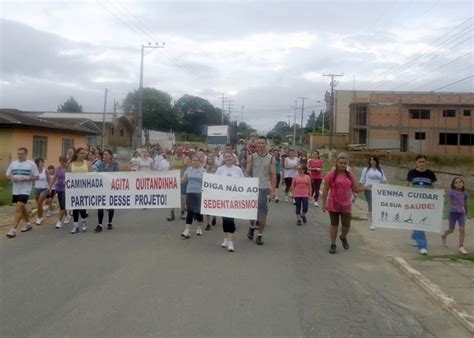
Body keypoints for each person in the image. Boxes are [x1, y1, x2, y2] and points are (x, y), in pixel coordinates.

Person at [322, 154, 366, 254]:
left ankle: (343, 236)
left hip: (346, 204)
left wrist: (366, 187)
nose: (343, 165)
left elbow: (355, 189)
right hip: (333, 204)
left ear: (347, 164)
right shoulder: (331, 175)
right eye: (341, 163)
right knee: (334, 224)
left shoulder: (350, 175)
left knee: (346, 225)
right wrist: (324, 203)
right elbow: (325, 189)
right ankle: (333, 244)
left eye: (345, 163)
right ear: (337, 163)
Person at [245, 136, 276, 245]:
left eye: (262, 143)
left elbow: (273, 175)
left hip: (264, 188)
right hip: (253, 187)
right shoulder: (251, 157)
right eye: (259, 143)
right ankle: (252, 226)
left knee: (263, 212)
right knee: (251, 211)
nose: (260, 145)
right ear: (256, 144)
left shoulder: (271, 158)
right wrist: (243, 185)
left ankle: (260, 235)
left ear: (266, 144)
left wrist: (273, 190)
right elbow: (247, 172)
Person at [406, 154, 437, 255]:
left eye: (423, 162)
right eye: (420, 161)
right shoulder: (412, 173)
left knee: (421, 222)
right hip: (415, 202)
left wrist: (439, 197)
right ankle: (422, 246)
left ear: (426, 162)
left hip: (426, 203)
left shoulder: (430, 174)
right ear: (416, 162)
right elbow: (406, 186)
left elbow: (434, 188)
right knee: (419, 222)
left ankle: (415, 236)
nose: (422, 163)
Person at [5, 147, 39, 238]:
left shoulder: (31, 164)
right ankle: (28, 224)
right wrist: (12, 179)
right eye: (18, 154)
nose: (19, 155)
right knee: (22, 208)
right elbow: (7, 174)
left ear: (26, 154)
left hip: (26, 189)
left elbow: (36, 177)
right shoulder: (13, 163)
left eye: (21, 154)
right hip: (16, 190)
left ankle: (13, 230)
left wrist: (26, 178)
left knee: (18, 207)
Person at [215, 151, 245, 252]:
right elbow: (214, 182)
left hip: (233, 199)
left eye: (229, 157)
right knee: (225, 219)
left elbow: (243, 183)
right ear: (224, 159)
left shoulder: (238, 170)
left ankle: (231, 242)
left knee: (230, 219)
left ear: (233, 158)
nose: (228, 158)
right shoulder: (220, 169)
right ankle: (226, 238)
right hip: (223, 198)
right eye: (226, 157)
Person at [359, 155, 388, 230]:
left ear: (376, 161)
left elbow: (384, 180)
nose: (372, 162)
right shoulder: (366, 169)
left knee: (376, 205)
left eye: (373, 160)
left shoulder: (380, 170)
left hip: (377, 190)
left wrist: (390, 187)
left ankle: (371, 215)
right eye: (371, 160)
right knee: (371, 204)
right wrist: (358, 188)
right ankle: (372, 223)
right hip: (368, 189)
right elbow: (362, 180)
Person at [441, 177, 469, 255]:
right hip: (453, 213)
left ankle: (461, 246)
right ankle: (444, 236)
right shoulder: (451, 192)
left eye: (460, 182)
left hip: (461, 213)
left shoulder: (465, 193)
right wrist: (444, 197)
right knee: (451, 229)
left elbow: (465, 204)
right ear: (453, 184)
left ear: (463, 183)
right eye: (456, 182)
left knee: (462, 229)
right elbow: (446, 201)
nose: (458, 183)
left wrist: (467, 213)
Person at [180, 155, 206, 238]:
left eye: (196, 160)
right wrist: (174, 180)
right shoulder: (188, 169)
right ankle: (187, 230)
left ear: (199, 162)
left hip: (199, 192)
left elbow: (207, 182)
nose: (195, 162)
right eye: (193, 160)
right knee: (190, 210)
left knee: (198, 211)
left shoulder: (203, 170)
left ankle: (199, 226)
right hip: (190, 192)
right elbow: (183, 179)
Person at [95, 149, 120, 232]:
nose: (104, 156)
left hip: (111, 188)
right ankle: (99, 225)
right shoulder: (100, 165)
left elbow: (116, 175)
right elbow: (97, 175)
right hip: (102, 188)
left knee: (111, 206)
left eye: (106, 154)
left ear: (111, 156)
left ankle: (110, 222)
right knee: (100, 206)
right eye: (104, 155)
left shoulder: (115, 164)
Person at [69, 147, 92, 234]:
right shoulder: (71, 164)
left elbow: (92, 176)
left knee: (82, 207)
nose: (83, 155)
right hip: (74, 189)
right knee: (75, 207)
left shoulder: (88, 163)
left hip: (84, 189)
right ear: (77, 154)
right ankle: (75, 225)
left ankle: (83, 222)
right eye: (81, 153)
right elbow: (68, 175)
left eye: (84, 153)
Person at [167, 145, 188, 221]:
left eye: (180, 150)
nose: (179, 151)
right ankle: (171, 213)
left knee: (183, 197)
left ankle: (182, 212)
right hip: (173, 179)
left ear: (183, 151)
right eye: (178, 150)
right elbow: (170, 168)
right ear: (175, 150)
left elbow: (187, 168)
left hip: (183, 179)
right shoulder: (172, 158)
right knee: (172, 196)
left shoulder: (185, 158)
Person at [50, 156, 69, 229]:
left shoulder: (68, 169)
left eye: (64, 161)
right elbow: (54, 178)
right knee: (62, 204)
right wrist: (50, 186)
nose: (63, 163)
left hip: (66, 189)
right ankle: (67, 215)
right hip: (59, 188)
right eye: (61, 161)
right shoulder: (58, 168)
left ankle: (59, 221)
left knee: (62, 205)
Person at [33, 158, 50, 225]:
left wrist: (50, 187)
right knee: (39, 204)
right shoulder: (34, 171)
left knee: (39, 203)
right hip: (36, 189)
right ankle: (41, 217)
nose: (42, 163)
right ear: (37, 163)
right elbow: (32, 178)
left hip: (44, 189)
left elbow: (49, 180)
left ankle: (39, 218)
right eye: (41, 162)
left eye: (43, 162)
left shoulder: (45, 171)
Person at [204, 155, 218, 230]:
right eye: (208, 159)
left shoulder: (217, 167)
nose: (209, 160)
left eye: (210, 159)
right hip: (207, 187)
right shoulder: (205, 167)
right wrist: (207, 170)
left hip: (215, 187)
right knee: (208, 204)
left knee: (214, 203)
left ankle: (214, 216)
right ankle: (208, 223)